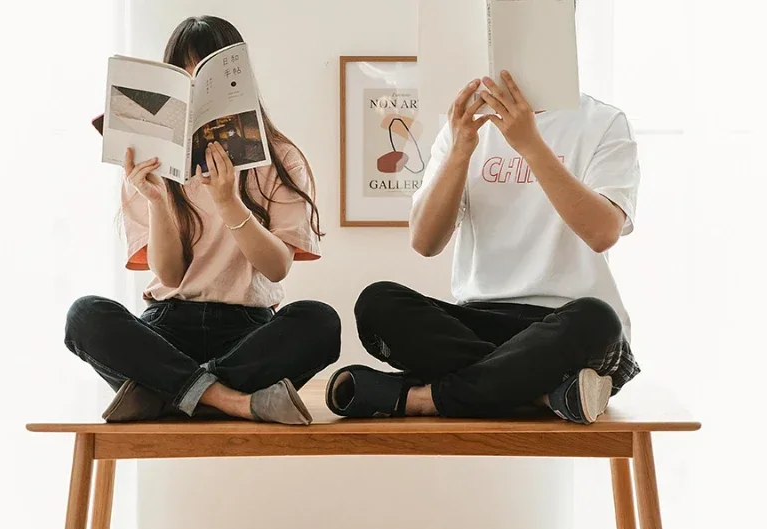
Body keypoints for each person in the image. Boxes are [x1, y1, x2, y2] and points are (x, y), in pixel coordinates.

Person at [66, 16, 340, 425]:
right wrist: (157, 201)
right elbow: (170, 276)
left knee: (320, 322)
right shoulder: (149, 167)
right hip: (168, 328)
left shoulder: (281, 160)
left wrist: (230, 204)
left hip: (248, 332)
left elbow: (277, 266)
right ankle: (234, 401)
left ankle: (166, 394)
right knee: (84, 315)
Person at [327, 71, 641, 424]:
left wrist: (531, 146)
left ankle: (421, 399)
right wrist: (461, 149)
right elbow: (425, 242)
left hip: (566, 326)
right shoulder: (463, 126)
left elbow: (602, 233)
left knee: (597, 319)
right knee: (378, 303)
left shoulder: (603, 122)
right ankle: (543, 393)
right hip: (480, 319)